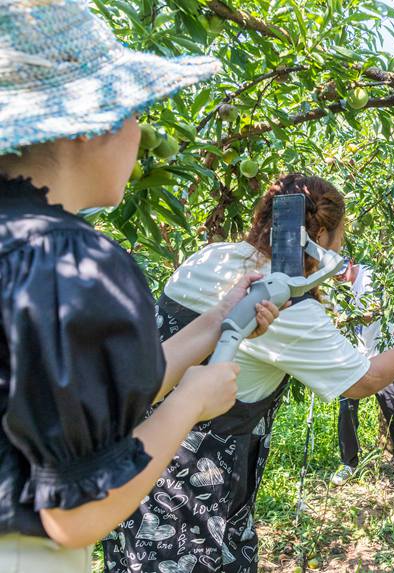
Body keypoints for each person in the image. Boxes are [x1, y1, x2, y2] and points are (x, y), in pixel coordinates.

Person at [0, 2, 280, 571]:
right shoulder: (71, 263)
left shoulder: (20, 253)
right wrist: (190, 404)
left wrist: (218, 319)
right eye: (132, 113)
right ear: (89, 126)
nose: (139, 134)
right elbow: (75, 512)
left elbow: (90, 390)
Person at [102, 173, 394, 572]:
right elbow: (364, 380)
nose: (341, 246)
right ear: (320, 236)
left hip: (137, 453)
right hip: (199, 484)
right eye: (340, 235)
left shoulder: (209, 256)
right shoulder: (287, 305)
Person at [330, 261, 394, 487]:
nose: (339, 279)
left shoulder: (371, 276)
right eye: (334, 276)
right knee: (346, 412)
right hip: (351, 358)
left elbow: (376, 310)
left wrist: (349, 318)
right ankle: (348, 463)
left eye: (341, 273)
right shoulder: (333, 287)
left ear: (351, 263)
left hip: (381, 354)